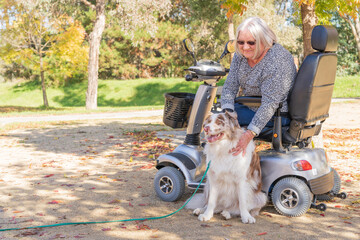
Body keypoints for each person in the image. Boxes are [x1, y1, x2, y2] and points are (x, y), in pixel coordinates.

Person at [221, 17, 297, 156]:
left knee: (217, 124)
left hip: (276, 114)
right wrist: (228, 109)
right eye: (240, 42)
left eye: (251, 42)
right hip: (251, 107)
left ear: (264, 40)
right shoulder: (241, 55)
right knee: (220, 117)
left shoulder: (276, 60)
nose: (245, 47)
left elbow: (270, 104)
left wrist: (249, 134)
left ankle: (225, 166)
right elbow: (230, 86)